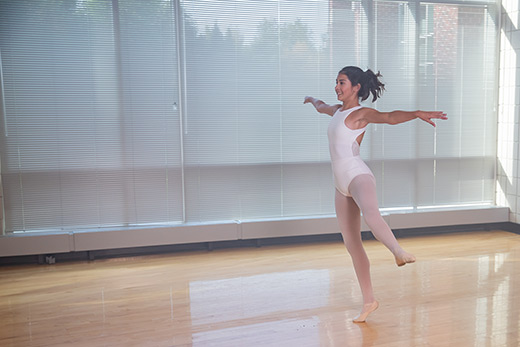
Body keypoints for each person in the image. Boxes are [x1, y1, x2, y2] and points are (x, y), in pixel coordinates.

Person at [304, 66, 447, 323]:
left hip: (358, 175)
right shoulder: (336, 111)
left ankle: (398, 251)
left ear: (356, 87)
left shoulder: (362, 114)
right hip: (340, 184)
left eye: (342, 82)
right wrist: (311, 99)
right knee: (352, 244)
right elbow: (320, 105)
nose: (337, 86)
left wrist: (415, 114)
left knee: (371, 215)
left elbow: (390, 117)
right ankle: (369, 300)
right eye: (336, 82)